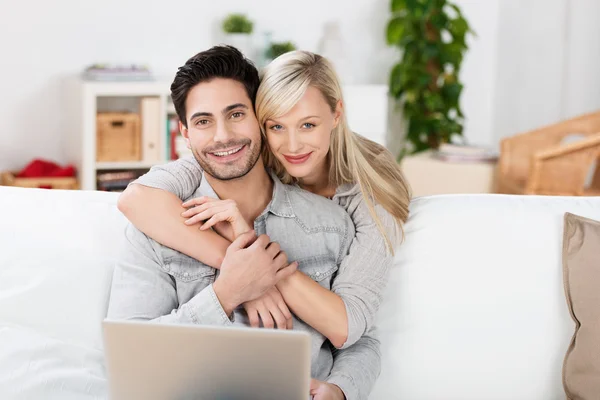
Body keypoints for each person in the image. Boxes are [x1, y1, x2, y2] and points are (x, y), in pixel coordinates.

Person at [108, 45, 408, 400]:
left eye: (236, 114)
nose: (221, 136)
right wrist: (237, 282)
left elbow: (355, 333)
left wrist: (341, 389)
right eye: (203, 121)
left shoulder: (345, 218)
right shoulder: (162, 218)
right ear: (186, 134)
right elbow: (131, 361)